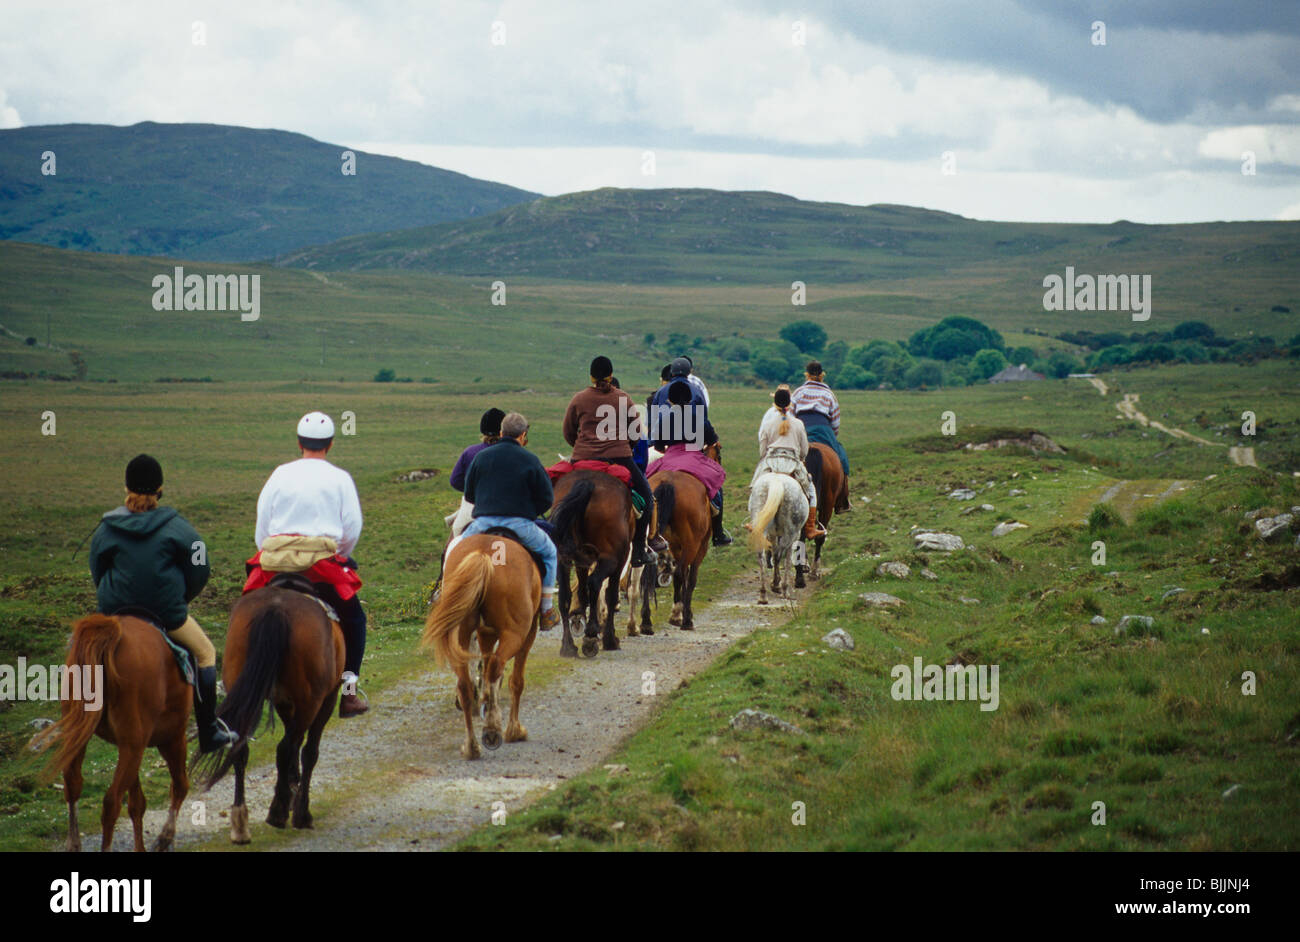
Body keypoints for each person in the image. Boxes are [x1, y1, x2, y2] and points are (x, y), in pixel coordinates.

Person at [89, 455, 236, 753]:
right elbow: (200, 561)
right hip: (166, 613)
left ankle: (76, 715)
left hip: (115, 613)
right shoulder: (178, 528)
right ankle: (208, 731)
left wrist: (111, 599)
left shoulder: (106, 528)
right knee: (206, 652)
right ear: (160, 488)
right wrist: (183, 598)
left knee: (79, 652)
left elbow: (97, 567)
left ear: (126, 486)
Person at [250, 412, 368, 717]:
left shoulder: (279, 474)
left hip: (276, 562)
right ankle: (349, 693)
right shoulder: (340, 478)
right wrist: (340, 553)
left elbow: (262, 525)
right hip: (321, 567)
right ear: (329, 444)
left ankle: (243, 680)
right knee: (354, 619)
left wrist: (269, 549)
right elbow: (352, 527)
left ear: (299, 443)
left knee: (248, 611)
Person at [451, 412, 561, 630]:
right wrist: (531, 511)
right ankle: (546, 609)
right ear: (523, 436)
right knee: (549, 553)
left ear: (501, 433)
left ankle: (446, 595)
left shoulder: (481, 457)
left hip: (483, 523)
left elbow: (470, 494)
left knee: (454, 549)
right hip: (519, 524)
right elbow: (547, 499)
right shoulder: (530, 460)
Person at [563, 356, 666, 566]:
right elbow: (636, 432)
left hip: (583, 457)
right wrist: (623, 445)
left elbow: (568, 431)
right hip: (619, 458)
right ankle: (639, 550)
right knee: (646, 498)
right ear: (611, 376)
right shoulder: (623, 398)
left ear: (590, 376)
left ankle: (562, 544)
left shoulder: (578, 399)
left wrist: (582, 447)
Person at [647, 380, 732, 546]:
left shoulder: (664, 420)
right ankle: (718, 533)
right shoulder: (699, 419)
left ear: (670, 401)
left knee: (645, 483)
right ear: (689, 399)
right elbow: (712, 441)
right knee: (717, 488)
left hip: (669, 458)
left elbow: (658, 446)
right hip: (694, 458)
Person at [752, 388, 824, 540]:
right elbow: (804, 450)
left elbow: (762, 451)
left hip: (771, 462)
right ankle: (810, 527)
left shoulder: (767, 423)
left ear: (775, 404)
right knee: (811, 490)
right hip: (792, 463)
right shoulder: (798, 424)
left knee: (755, 487)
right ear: (789, 404)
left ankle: (754, 522)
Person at [791, 360, 851, 510]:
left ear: (807, 375)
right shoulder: (829, 394)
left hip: (801, 428)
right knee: (841, 457)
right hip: (824, 428)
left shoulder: (798, 392)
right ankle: (843, 499)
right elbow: (835, 422)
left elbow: (791, 415)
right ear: (822, 375)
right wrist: (831, 436)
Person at [445, 407, 505, 537]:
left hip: (474, 508)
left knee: (455, 538)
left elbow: (455, 481)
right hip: (506, 510)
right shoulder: (513, 453)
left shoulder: (470, 452)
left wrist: (473, 490)